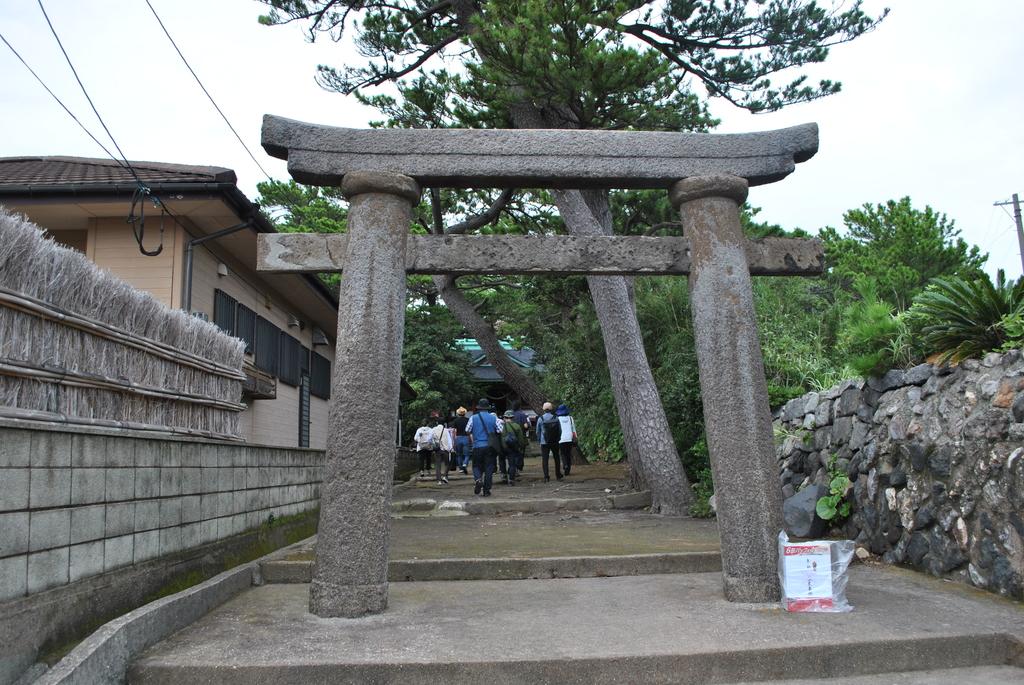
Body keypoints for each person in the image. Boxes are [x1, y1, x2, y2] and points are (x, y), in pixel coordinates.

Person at [466, 398, 499, 496]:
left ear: (479, 408)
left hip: (477, 446)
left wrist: (475, 434)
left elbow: (467, 430)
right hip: (490, 446)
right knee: (489, 468)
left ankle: (478, 479)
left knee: (476, 466)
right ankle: (486, 490)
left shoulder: (473, 418)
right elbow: (500, 430)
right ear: (488, 408)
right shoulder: (494, 418)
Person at [536, 402, 562, 482]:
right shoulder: (556, 418)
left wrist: (539, 440)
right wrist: (558, 438)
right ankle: (558, 475)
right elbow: (560, 430)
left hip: (544, 442)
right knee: (556, 458)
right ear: (551, 409)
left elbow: (538, 431)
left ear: (543, 409)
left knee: (545, 459)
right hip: (554, 441)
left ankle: (546, 476)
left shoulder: (541, 419)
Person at [501, 409, 525, 484]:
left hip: (502, 447)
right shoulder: (517, 426)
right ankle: (511, 479)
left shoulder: (501, 426)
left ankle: (504, 475)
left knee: (502, 461)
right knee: (512, 463)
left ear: (504, 417)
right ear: (513, 417)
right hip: (512, 447)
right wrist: (521, 446)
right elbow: (520, 438)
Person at [556, 404, 578, 477]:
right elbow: (573, 429)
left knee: (562, 453)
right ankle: (567, 470)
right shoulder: (570, 418)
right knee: (568, 454)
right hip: (569, 438)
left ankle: (565, 465)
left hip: (561, 439)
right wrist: (576, 438)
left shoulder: (557, 419)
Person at [432, 416, 454, 485]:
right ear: (444, 423)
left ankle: (439, 481)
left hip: (437, 449)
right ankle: (445, 476)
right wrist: (451, 449)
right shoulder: (446, 431)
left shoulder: (433, 429)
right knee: (447, 463)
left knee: (438, 465)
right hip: (445, 450)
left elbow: (430, 439)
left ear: (437, 422)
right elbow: (449, 440)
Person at [452, 406, 471, 474]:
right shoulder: (468, 420)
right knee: (467, 454)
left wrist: (453, 440)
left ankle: (460, 468)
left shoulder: (455, 420)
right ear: (465, 413)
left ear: (458, 413)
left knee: (459, 454)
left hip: (458, 438)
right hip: (466, 437)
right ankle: (465, 464)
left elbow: (454, 431)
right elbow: (469, 430)